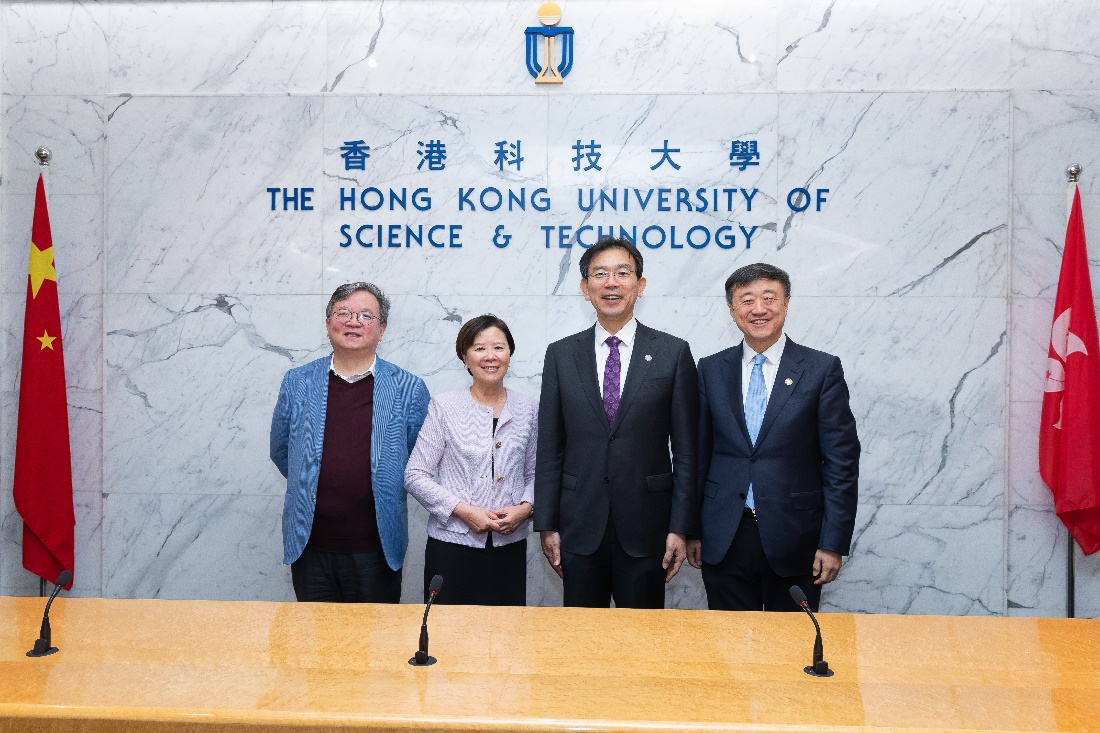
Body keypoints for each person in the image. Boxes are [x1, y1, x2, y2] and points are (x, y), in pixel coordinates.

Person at [535, 237, 698, 609]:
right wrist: (547, 523)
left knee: (643, 636)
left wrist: (681, 527)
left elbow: (687, 451)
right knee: (581, 633)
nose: (611, 283)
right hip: (578, 525)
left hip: (648, 526)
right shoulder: (561, 355)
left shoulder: (672, 353)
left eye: (623, 273)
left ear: (640, 285)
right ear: (585, 288)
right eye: (600, 274)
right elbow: (550, 447)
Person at [688, 263, 860, 612]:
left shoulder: (821, 369)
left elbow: (841, 462)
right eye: (747, 299)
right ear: (732, 309)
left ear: (786, 303)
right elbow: (697, 456)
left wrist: (832, 542)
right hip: (724, 535)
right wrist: (692, 530)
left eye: (769, 298)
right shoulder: (710, 369)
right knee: (728, 641)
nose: (759, 309)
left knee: (792, 642)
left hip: (796, 537)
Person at [270, 282, 430, 603]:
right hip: (310, 547)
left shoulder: (409, 388)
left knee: (375, 635)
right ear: (328, 323)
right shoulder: (297, 381)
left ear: (381, 329)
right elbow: (282, 450)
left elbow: (417, 460)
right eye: (343, 313)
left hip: (376, 549)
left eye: (366, 315)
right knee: (313, 634)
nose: (353, 322)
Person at [405, 315, 537, 606]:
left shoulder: (528, 408)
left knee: (506, 629)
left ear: (510, 354)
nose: (490, 356)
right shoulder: (444, 406)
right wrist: (463, 511)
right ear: (465, 358)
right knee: (448, 630)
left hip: (509, 547)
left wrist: (525, 509)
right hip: (451, 547)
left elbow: (536, 473)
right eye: (479, 348)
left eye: (499, 347)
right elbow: (415, 474)